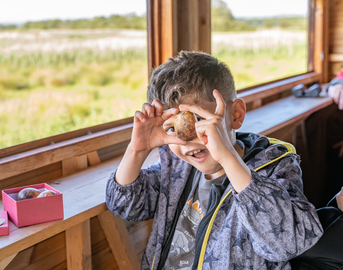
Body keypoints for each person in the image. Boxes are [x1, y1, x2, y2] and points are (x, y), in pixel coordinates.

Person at [105, 51, 323, 270]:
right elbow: (125, 206)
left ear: (236, 115)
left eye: (200, 121)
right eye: (173, 129)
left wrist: (227, 156)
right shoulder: (176, 169)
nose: (188, 139)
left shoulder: (275, 168)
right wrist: (136, 150)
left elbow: (288, 244)